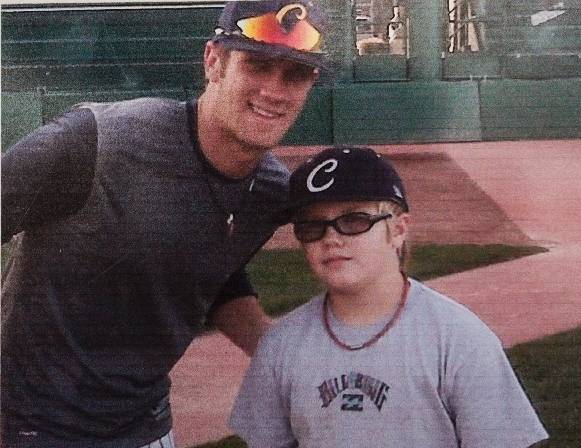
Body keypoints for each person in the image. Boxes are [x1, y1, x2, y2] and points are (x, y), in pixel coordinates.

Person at [0, 1, 331, 446]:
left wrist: (282, 356)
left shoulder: (270, 193)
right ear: (214, 61)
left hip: (147, 428)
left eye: (294, 74)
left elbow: (215, 271)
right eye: (257, 65)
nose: (274, 89)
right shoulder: (99, 143)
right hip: (30, 427)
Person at [230, 146, 549, 448]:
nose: (331, 238)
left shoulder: (458, 339)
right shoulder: (282, 345)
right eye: (312, 227)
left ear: (398, 230)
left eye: (354, 220)